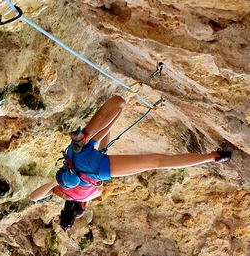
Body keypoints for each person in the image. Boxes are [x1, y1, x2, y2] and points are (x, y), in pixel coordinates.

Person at [30, 95, 232, 230]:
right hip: (76, 155)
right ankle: (82, 136)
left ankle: (212, 156)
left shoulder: (93, 194)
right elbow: (33, 197)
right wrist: (54, 181)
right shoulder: (61, 192)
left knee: (158, 161)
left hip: (95, 168)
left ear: (83, 206)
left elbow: (101, 159)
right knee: (119, 103)